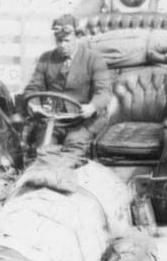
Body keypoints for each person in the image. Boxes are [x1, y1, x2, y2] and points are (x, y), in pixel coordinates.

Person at [22, 14, 112, 158]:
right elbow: (33, 88)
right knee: (43, 151)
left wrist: (92, 107)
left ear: (77, 37)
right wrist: (35, 106)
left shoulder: (94, 59)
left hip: (84, 120)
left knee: (73, 147)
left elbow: (104, 92)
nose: (62, 45)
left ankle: (69, 178)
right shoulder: (46, 59)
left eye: (66, 40)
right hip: (53, 119)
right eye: (58, 41)